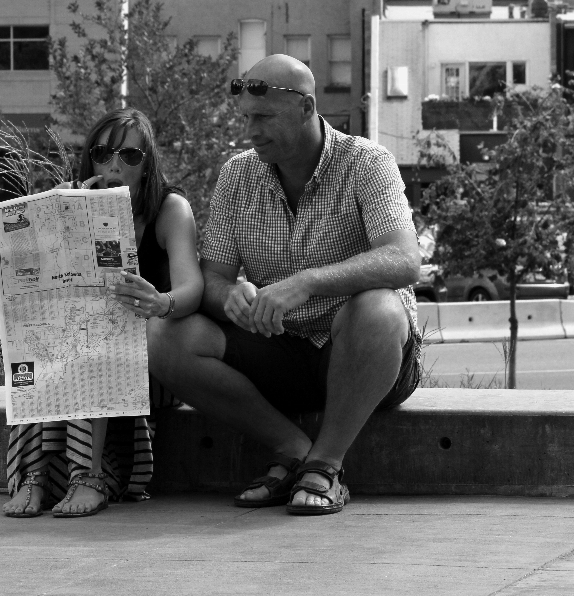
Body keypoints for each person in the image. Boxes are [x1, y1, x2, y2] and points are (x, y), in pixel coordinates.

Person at [150, 54, 422, 516]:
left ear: (306, 107)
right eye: (246, 119)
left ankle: (325, 465)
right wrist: (230, 297)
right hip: (279, 350)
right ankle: (292, 446)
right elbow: (212, 278)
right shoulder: (238, 174)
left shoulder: (367, 163)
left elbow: (405, 260)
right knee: (166, 337)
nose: (251, 131)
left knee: (378, 307)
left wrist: (308, 282)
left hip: (365, 355)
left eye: (264, 118)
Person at [2, 107, 203, 518]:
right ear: (90, 158)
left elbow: (193, 288)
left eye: (130, 157)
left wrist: (161, 302)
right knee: (47, 347)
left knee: (91, 340)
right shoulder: (71, 198)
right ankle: (34, 477)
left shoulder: (170, 209)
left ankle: (89, 475)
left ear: (147, 167)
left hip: (152, 361)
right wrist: (63, 215)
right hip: (86, 351)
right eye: (103, 153)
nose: (114, 165)